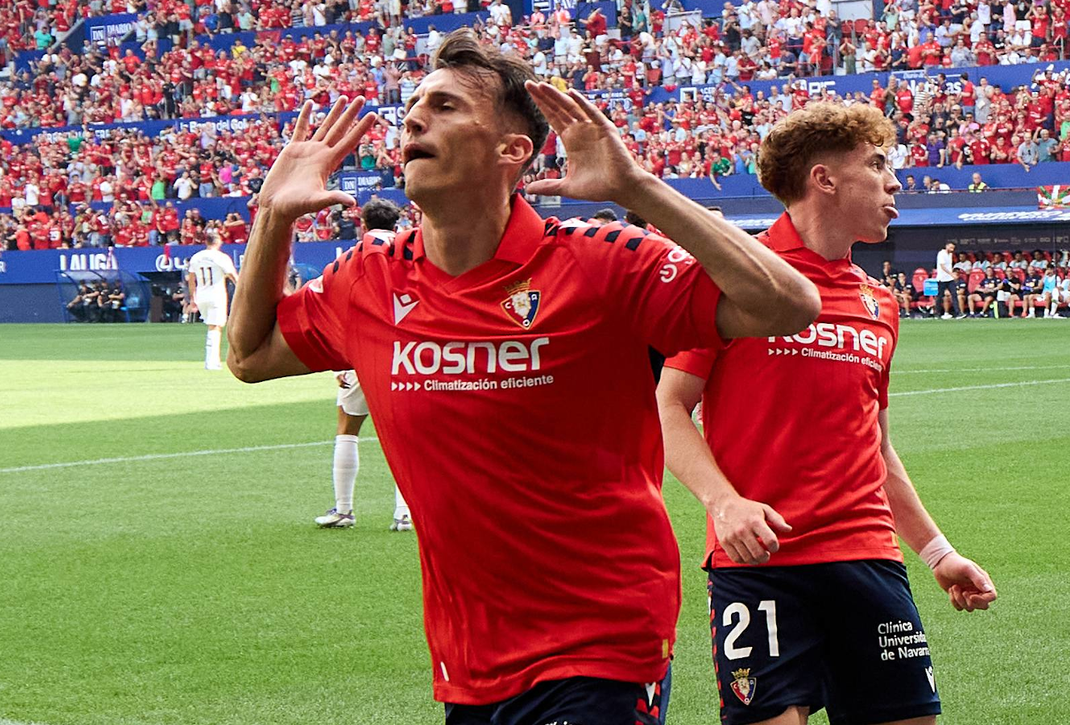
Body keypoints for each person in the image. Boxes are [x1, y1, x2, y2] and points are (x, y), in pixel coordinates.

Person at [226, 29, 819, 725]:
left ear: (512, 151)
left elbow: (789, 305)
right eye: (415, 105)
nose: (413, 119)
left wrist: (638, 187)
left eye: (445, 106)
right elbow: (249, 355)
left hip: (601, 642)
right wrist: (273, 215)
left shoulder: (601, 260)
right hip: (468, 660)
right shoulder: (369, 278)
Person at [656, 103, 997, 725]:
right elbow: (669, 406)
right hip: (760, 563)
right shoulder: (735, 278)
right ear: (825, 179)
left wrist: (938, 553)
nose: (895, 182)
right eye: (878, 164)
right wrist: (723, 503)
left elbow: (877, 448)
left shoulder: (879, 301)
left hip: (868, 557)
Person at [314, 198, 413, 532]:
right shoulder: (415, 251)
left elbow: (335, 307)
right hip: (406, 353)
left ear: (363, 225)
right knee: (405, 434)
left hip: (363, 350)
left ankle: (344, 510)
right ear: (397, 225)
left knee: (347, 428)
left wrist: (339, 359)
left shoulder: (351, 258)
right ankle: (404, 513)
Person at [187, 233, 239, 369]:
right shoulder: (221, 257)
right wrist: (242, 290)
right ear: (219, 242)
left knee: (212, 325)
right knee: (215, 327)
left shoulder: (196, 257)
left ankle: (213, 360)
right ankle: (211, 362)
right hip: (216, 294)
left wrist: (193, 298)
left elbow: (191, 279)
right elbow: (233, 276)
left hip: (201, 296)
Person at [934, 241, 959, 319]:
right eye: (951, 247)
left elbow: (949, 266)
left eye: (953, 248)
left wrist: (952, 275)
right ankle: (937, 313)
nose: (952, 249)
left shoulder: (950, 254)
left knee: (954, 294)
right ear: (946, 246)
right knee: (940, 296)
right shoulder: (941, 254)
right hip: (942, 279)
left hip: (949, 279)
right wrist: (951, 274)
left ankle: (958, 313)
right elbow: (942, 266)